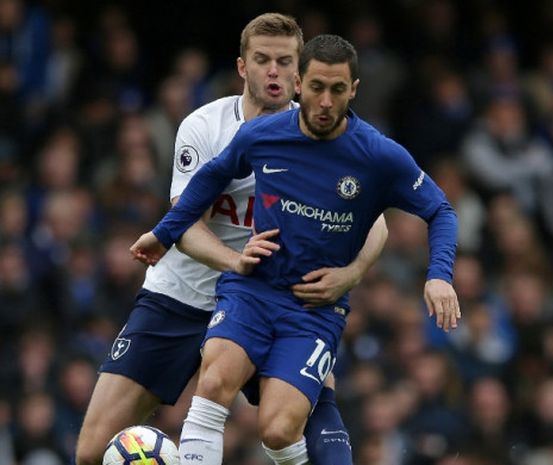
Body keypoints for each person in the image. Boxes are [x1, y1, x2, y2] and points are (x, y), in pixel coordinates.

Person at [131, 33, 461, 465]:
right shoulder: (263, 135)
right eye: (318, 87)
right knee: (213, 382)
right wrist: (165, 232)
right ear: (300, 83)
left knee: (279, 430)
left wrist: (438, 274)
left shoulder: (378, 155)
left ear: (354, 90)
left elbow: (440, 210)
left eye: (338, 89)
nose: (326, 101)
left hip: (313, 308)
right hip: (252, 287)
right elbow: (211, 177)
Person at [75, 14, 388, 465]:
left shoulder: (324, 135)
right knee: (91, 452)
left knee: (307, 414)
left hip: (267, 298)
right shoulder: (204, 127)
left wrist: (351, 274)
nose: (275, 72)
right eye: (263, 60)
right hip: (180, 296)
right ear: (243, 67)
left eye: (286, 61)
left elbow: (376, 225)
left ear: (301, 72)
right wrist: (234, 260)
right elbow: (183, 223)